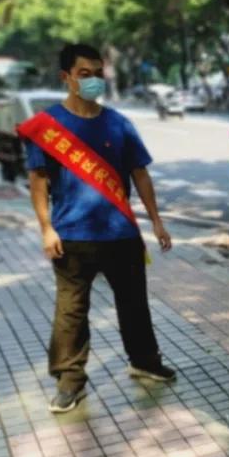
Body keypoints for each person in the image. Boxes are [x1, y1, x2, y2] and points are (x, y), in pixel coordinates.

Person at [21, 43, 174, 414]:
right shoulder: (49, 127)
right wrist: (45, 229)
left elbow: (140, 174)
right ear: (67, 78)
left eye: (97, 73)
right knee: (71, 311)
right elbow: (38, 181)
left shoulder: (119, 124)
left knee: (134, 304)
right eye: (84, 74)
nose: (92, 80)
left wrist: (156, 220)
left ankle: (144, 361)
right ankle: (70, 380)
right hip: (71, 237)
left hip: (121, 234)